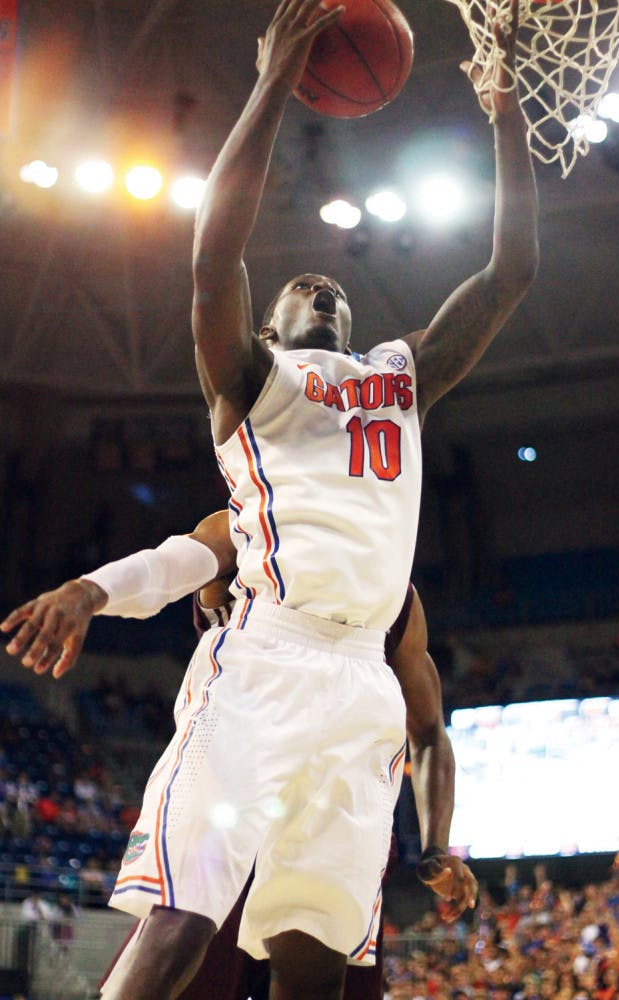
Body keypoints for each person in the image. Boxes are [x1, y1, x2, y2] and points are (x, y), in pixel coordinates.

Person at [3, 0, 537, 993]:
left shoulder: (398, 375)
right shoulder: (253, 385)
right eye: (297, 287)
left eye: (333, 286)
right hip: (266, 663)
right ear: (273, 325)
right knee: (176, 927)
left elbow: (511, 273)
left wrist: (504, 108)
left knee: (315, 966)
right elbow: (212, 264)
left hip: (361, 692)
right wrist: (271, 84)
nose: (320, 288)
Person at [3, 509, 477, 1000]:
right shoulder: (253, 521)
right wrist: (91, 590)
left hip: (329, 800)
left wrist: (437, 847)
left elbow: (429, 733)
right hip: (235, 791)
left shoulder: (393, 594)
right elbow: (170, 563)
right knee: (175, 941)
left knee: (319, 980)